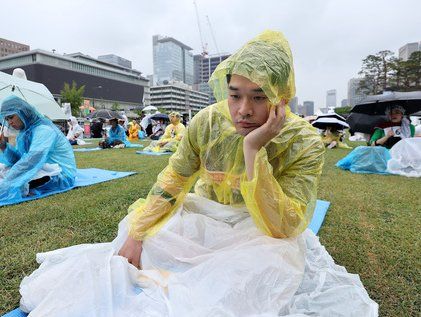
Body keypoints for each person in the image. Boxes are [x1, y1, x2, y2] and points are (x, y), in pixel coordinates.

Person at [19, 31, 377, 316]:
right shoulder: (207, 122)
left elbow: (281, 227)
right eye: (235, 95)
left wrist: (254, 149)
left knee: (269, 268)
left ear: (282, 97)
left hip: (260, 230)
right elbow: (173, 181)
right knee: (142, 244)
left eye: (259, 96)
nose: (243, 110)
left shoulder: (303, 141)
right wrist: (139, 233)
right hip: (206, 215)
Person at [0, 95, 76, 202]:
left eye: (11, 117)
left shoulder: (44, 130)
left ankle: (25, 187)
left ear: (23, 112)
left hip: (60, 175)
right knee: (4, 168)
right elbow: (19, 160)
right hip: (38, 168)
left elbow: (31, 161)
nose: (9, 122)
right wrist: (3, 146)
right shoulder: (24, 133)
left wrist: (6, 184)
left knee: (15, 179)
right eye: (6, 119)